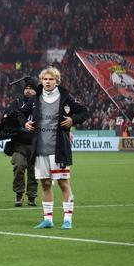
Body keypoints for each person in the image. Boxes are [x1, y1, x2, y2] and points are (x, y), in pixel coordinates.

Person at [20, 66, 88, 230]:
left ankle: (67, 219)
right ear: (41, 81)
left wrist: (72, 119)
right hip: (40, 149)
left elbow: (84, 112)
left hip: (58, 149)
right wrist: (25, 122)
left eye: (51, 79)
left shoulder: (65, 97)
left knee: (63, 184)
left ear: (57, 81)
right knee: (45, 184)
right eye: (45, 79)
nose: (47, 82)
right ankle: (48, 219)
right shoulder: (36, 98)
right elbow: (21, 113)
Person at [0, 76, 39, 207]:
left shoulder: (41, 102)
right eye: (26, 88)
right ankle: (19, 194)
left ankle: (32, 196)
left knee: (34, 172)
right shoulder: (16, 102)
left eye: (31, 88)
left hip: (35, 144)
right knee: (19, 167)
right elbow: (6, 119)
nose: (28, 90)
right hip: (19, 143)